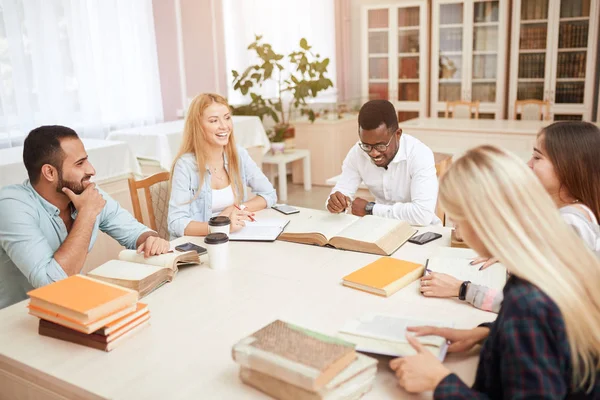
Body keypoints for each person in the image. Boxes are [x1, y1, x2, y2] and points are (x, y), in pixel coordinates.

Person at [391, 145, 600, 398]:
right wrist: (486, 334)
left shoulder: (527, 303)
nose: (458, 231)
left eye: (457, 219)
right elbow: (555, 332)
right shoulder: (552, 263)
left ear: (479, 222)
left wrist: (440, 381)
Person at [421, 121, 600, 312]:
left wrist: (462, 289)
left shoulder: (569, 225)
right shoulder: (572, 212)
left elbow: (534, 308)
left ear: (569, 166)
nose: (528, 165)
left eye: (537, 158)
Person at [0, 126, 170, 310]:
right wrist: (87, 213)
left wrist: (150, 239)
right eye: (80, 164)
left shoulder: (84, 192)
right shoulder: (11, 205)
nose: (91, 170)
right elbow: (52, 285)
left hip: (70, 309)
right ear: (49, 172)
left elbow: (136, 232)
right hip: (17, 322)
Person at [168, 93, 276, 238]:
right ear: (198, 126)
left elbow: (269, 194)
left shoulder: (238, 154)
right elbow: (176, 223)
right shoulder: (185, 165)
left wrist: (236, 208)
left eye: (227, 118)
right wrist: (221, 226)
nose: (224, 126)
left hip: (234, 237)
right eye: (214, 121)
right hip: (200, 245)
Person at [326, 100, 439, 225]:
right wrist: (335, 203)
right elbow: (342, 190)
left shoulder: (419, 154)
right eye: (367, 145)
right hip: (379, 226)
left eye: (380, 146)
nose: (374, 153)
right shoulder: (357, 153)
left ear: (398, 134)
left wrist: (370, 209)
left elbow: (422, 215)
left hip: (421, 232)